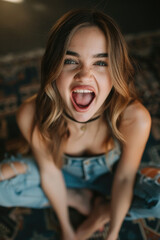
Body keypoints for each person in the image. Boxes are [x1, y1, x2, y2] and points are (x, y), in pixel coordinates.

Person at [0, 8, 159, 240]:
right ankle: (75, 197)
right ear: (53, 68)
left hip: (110, 178)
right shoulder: (30, 113)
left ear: (116, 72)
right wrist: (67, 229)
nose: (84, 75)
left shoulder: (134, 118)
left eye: (101, 63)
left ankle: (103, 210)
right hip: (59, 175)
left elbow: (124, 178)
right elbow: (51, 173)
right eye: (71, 60)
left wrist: (112, 234)